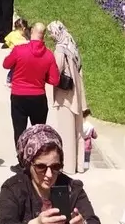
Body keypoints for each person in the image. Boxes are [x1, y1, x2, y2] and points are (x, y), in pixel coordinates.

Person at [0, 124, 102, 224]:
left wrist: (83, 222)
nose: (49, 175)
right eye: (41, 167)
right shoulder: (13, 189)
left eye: (55, 167)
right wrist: (35, 222)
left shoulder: (73, 188)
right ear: (29, 164)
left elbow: (92, 220)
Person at [2, 22, 59, 149]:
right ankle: (37, 159)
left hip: (18, 96)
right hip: (38, 97)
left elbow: (6, 64)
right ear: (43, 36)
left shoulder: (19, 50)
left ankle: (21, 160)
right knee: (38, 131)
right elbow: (54, 80)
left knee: (19, 130)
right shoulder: (49, 55)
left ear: (31, 31)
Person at [46, 22, 88, 173]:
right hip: (77, 89)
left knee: (67, 131)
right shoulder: (71, 43)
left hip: (66, 95)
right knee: (78, 130)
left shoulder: (60, 49)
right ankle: (79, 164)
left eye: (51, 33)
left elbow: (56, 70)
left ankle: (68, 166)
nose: (50, 36)